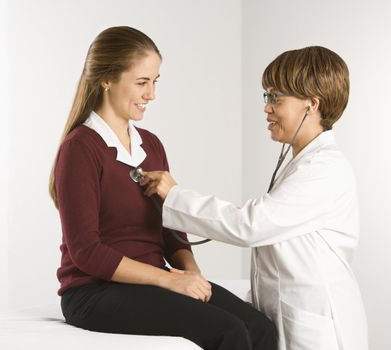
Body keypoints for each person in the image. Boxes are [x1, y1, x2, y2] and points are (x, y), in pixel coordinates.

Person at [48, 26, 277, 350]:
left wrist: (192, 275)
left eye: (154, 82)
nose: (151, 94)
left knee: (260, 328)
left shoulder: (150, 145)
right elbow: (86, 252)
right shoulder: (81, 148)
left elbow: (169, 229)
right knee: (228, 333)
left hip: (151, 282)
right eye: (142, 82)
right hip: (93, 292)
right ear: (107, 79)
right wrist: (170, 279)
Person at [141, 46, 368, 350]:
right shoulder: (301, 163)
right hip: (291, 316)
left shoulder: (324, 168)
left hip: (317, 327)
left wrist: (175, 195)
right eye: (267, 96)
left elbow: (251, 224)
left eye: (277, 98)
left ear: (311, 105)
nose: (267, 107)